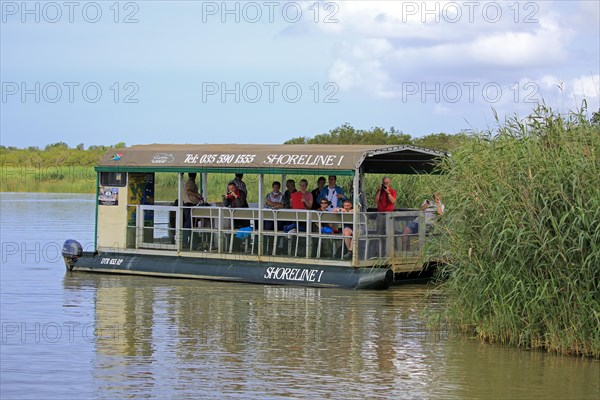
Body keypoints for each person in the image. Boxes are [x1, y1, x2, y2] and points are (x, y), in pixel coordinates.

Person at [182, 173, 203, 249]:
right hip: (189, 205)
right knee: (188, 224)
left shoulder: (192, 182)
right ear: (195, 175)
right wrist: (197, 195)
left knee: (192, 224)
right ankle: (184, 242)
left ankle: (191, 242)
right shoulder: (190, 182)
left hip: (191, 205)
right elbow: (188, 191)